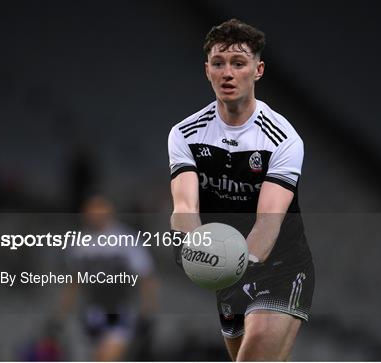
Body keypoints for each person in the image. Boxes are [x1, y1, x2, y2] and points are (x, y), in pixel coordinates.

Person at [168, 19, 315, 361]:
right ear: (207, 70)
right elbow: (185, 207)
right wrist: (193, 248)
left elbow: (268, 223)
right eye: (219, 63)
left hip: (281, 267)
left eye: (238, 63)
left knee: (256, 353)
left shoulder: (283, 138)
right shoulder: (185, 134)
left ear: (258, 70)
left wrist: (232, 264)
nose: (228, 73)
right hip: (226, 270)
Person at [59, 195, 158, 361]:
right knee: (97, 358)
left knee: (108, 357)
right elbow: (73, 282)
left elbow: (146, 276)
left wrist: (148, 310)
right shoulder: (80, 243)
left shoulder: (126, 239)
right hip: (92, 309)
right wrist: (61, 314)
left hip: (120, 308)